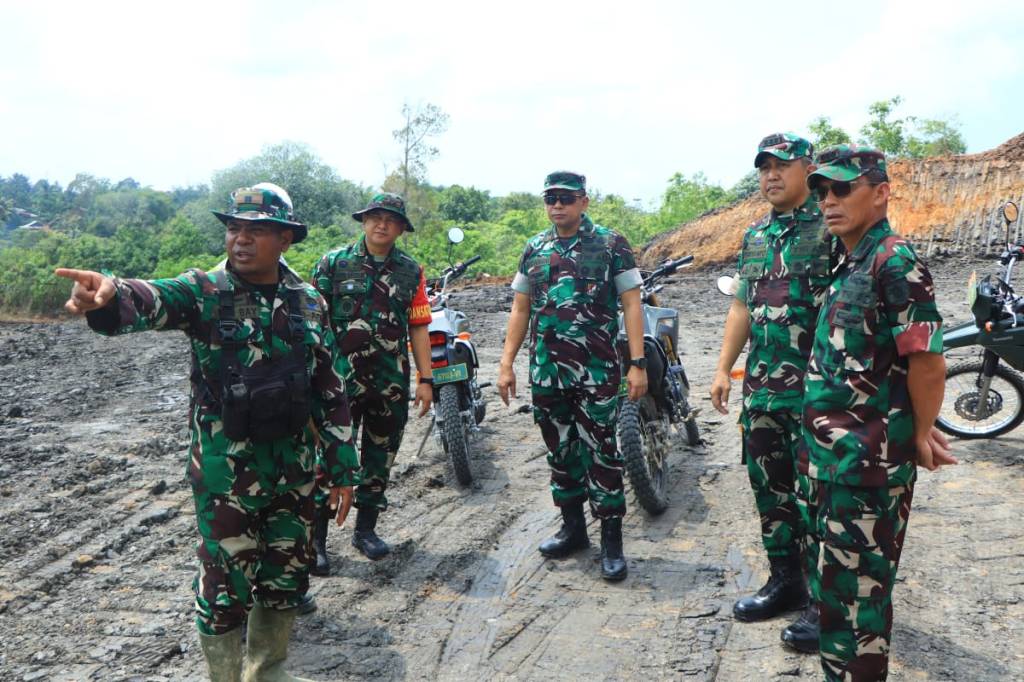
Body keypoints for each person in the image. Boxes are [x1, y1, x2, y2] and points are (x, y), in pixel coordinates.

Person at [55, 183, 360, 682]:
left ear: (285, 238)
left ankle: (267, 672)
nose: (241, 239)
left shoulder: (307, 301)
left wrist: (344, 466)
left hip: (296, 473)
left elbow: (329, 385)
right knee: (224, 590)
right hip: (228, 478)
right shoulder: (204, 291)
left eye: (256, 230)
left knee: (286, 579)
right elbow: (150, 297)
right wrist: (109, 295)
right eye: (234, 228)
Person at [801, 145, 956, 680]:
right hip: (831, 461)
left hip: (867, 464)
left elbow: (927, 360)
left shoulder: (895, 260)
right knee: (833, 590)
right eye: (822, 191)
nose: (828, 201)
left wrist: (921, 430)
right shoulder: (849, 259)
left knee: (858, 604)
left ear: (881, 192)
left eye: (842, 189)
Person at [710, 133, 841, 650]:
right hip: (763, 390)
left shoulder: (831, 227)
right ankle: (786, 582)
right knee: (772, 492)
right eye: (763, 167)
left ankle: (822, 604)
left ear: (807, 169)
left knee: (818, 500)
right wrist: (724, 368)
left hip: (816, 393)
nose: (770, 175)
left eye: (781, 166)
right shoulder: (755, 236)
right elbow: (742, 306)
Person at [497, 170, 647, 581]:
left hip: (597, 370)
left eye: (566, 198)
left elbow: (632, 304)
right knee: (560, 451)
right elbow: (520, 309)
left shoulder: (611, 244)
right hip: (547, 371)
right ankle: (573, 529)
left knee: (602, 451)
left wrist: (637, 363)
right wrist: (507, 363)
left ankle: (611, 540)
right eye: (551, 198)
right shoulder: (534, 248)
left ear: (584, 201)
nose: (557, 205)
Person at [311, 192, 433, 565]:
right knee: (326, 459)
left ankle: (366, 530)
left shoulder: (411, 271)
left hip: (389, 383)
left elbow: (419, 327)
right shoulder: (333, 264)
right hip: (337, 385)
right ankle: (315, 541)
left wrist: (427, 379)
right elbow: (314, 323)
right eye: (375, 217)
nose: (382, 224)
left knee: (380, 457)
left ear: (400, 228)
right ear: (364, 222)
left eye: (391, 220)